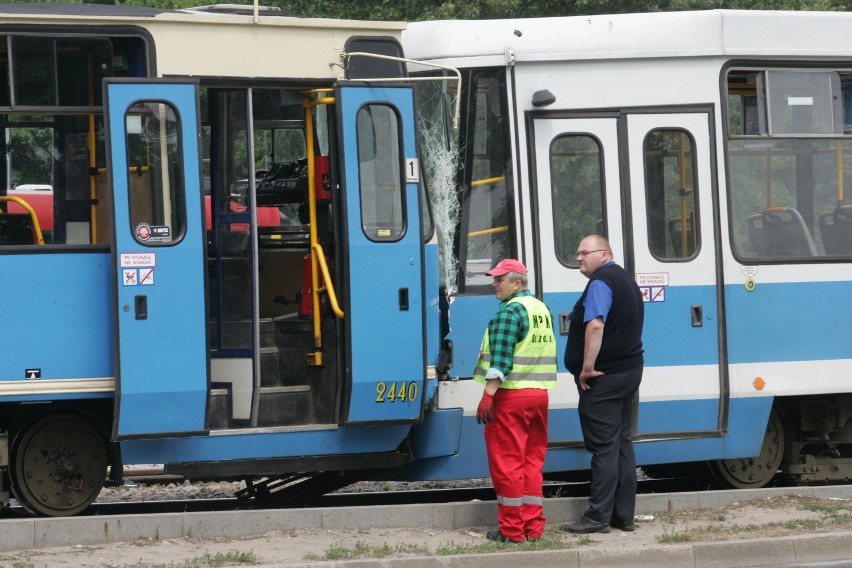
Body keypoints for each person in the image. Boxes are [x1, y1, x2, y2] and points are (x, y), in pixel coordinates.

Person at [561, 235, 644, 534]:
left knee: (604, 448)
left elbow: (595, 324)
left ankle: (598, 517)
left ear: (604, 253)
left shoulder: (600, 283)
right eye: (578, 252)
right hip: (629, 372)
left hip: (605, 378)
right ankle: (624, 516)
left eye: (584, 252)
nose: (579, 258)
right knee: (622, 443)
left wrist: (586, 368)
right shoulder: (625, 279)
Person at [473, 258, 557, 543]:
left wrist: (487, 396)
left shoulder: (508, 313)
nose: (494, 284)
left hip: (511, 397)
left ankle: (511, 531)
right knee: (531, 463)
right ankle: (533, 528)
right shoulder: (540, 309)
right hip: (538, 396)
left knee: (507, 464)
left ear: (517, 283)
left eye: (499, 280)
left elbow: (500, 362)